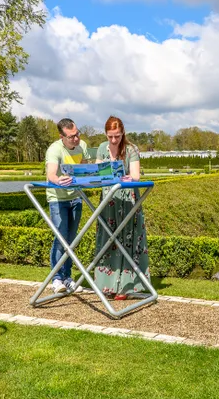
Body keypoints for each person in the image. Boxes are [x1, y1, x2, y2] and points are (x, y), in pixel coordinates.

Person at [93, 116, 149, 300]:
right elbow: (98, 171)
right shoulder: (102, 148)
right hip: (108, 198)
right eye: (110, 136)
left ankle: (125, 286)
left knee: (127, 239)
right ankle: (106, 284)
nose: (114, 140)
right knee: (107, 238)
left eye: (117, 136)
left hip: (127, 198)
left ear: (123, 133)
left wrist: (128, 178)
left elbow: (136, 176)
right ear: (106, 135)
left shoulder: (131, 149)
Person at [45, 118, 88, 294]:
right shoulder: (54, 149)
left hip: (76, 197)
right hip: (57, 198)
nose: (76, 139)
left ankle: (68, 277)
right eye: (71, 137)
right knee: (61, 237)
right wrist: (58, 180)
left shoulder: (82, 146)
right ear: (62, 136)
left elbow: (86, 169)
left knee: (71, 239)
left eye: (77, 134)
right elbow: (51, 175)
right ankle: (56, 278)